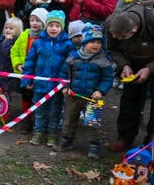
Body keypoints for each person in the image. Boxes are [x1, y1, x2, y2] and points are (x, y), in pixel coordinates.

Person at [105, 4, 154, 152]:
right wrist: (124, 65)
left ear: (134, 31)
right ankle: (125, 137)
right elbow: (112, 49)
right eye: (113, 34)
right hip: (132, 60)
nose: (115, 38)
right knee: (129, 98)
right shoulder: (113, 24)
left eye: (120, 37)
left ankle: (153, 141)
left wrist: (150, 69)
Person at [60, 24, 114, 158]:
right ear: (84, 42)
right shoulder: (73, 57)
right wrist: (65, 86)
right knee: (69, 118)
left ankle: (94, 146)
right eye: (92, 41)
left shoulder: (103, 60)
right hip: (73, 95)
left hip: (93, 97)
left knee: (93, 122)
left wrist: (100, 91)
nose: (96, 45)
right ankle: (66, 141)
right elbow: (63, 73)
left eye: (99, 42)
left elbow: (108, 78)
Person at [22, 10, 74, 147]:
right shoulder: (38, 43)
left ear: (62, 27)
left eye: (57, 26)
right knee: (40, 109)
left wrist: (65, 83)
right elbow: (30, 62)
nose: (54, 29)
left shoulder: (67, 44)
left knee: (55, 111)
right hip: (39, 84)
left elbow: (71, 63)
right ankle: (38, 132)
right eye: (51, 25)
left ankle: (52, 133)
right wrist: (27, 79)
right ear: (46, 26)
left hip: (57, 87)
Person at [11, 8, 49, 129]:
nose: (34, 23)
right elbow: (14, 51)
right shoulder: (24, 35)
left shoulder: (46, 38)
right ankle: (27, 120)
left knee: (39, 99)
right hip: (25, 73)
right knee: (26, 97)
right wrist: (18, 64)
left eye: (38, 20)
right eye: (32, 20)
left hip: (40, 74)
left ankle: (39, 123)